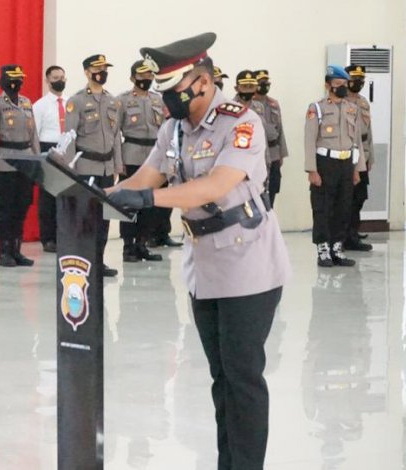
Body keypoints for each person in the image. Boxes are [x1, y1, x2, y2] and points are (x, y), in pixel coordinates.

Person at [107, 33, 289, 469]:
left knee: (242, 377)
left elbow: (216, 185)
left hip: (248, 261)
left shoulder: (241, 122)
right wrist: (94, 194)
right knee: (219, 377)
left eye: (172, 90)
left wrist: (151, 201)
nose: (165, 99)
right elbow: (147, 176)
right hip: (203, 264)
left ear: (202, 83)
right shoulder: (174, 128)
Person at [61, 53, 123, 277]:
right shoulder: (76, 101)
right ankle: (83, 260)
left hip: (106, 167)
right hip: (85, 166)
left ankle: (99, 260)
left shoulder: (112, 101)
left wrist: (118, 165)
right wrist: (69, 169)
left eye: (105, 69)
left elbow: (116, 136)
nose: (102, 73)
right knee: (85, 217)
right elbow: (69, 136)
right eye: (98, 69)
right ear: (87, 72)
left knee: (103, 218)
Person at [305, 65, 364, 268]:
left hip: (346, 163)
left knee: (343, 206)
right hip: (325, 163)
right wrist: (312, 170)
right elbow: (309, 141)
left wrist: (358, 169)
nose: (342, 88)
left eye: (344, 84)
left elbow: (357, 141)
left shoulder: (352, 108)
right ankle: (323, 249)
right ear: (327, 85)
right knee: (322, 207)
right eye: (337, 84)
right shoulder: (317, 108)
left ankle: (337, 248)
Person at [0, 64, 38, 267]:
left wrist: (37, 158)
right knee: (5, 208)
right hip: (5, 160)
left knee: (22, 206)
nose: (17, 83)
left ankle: (17, 250)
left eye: (20, 79)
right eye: (13, 79)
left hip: (26, 160)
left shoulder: (26, 103)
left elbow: (33, 134)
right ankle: (4, 251)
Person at [116, 60, 165, 263]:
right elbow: (114, 134)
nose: (146, 79)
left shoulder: (158, 100)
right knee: (129, 202)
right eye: (141, 75)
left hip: (154, 155)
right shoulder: (122, 100)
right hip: (132, 154)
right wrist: (119, 161)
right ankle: (128, 246)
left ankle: (142, 243)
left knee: (150, 203)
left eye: (149, 75)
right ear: (132, 78)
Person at [32, 65, 67, 253]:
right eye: (55, 77)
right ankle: (48, 238)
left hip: (67, 150)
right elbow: (34, 135)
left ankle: (64, 235)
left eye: (62, 76)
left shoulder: (70, 103)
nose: (60, 80)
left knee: (65, 196)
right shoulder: (39, 106)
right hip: (47, 149)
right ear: (47, 81)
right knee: (48, 197)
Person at [342, 65, 374, 252]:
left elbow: (368, 132)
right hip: (347, 154)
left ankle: (352, 233)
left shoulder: (363, 102)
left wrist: (370, 157)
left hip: (363, 152)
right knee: (346, 198)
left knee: (359, 196)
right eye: (356, 79)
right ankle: (344, 235)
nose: (359, 83)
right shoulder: (340, 101)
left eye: (362, 80)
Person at [254, 70, 289, 205]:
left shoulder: (273, 104)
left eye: (266, 82)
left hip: (273, 153)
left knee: (272, 191)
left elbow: (280, 130)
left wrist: (281, 154)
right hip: (258, 154)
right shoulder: (248, 104)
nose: (265, 85)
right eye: (261, 83)